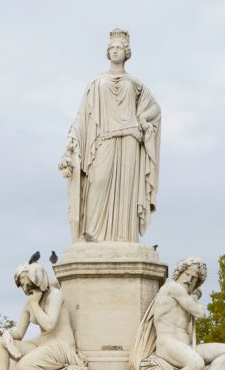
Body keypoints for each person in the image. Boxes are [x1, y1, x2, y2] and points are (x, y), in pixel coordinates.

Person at [59, 28, 161, 243]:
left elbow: (155, 109)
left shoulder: (135, 83)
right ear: (108, 52)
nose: (115, 51)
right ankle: (93, 235)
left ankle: (125, 237)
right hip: (103, 139)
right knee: (98, 182)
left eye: (119, 48)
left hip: (130, 140)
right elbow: (82, 116)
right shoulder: (96, 82)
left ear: (127, 53)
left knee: (126, 191)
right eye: (112, 48)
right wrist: (70, 143)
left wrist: (142, 118)